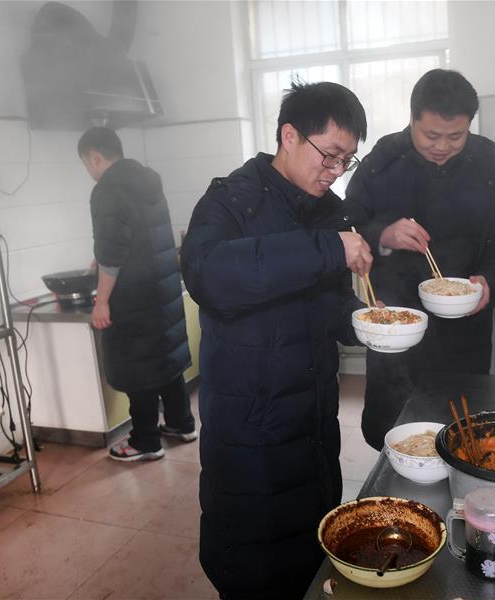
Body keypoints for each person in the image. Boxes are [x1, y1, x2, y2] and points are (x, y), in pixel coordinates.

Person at [181, 81, 372, 599]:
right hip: (251, 431)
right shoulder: (232, 200)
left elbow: (327, 302)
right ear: (289, 135)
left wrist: (365, 323)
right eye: (329, 155)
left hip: (312, 423)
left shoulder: (326, 209)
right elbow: (209, 276)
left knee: (311, 556)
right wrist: (328, 248)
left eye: (346, 160)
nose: (335, 171)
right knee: (253, 566)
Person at [345, 69, 495, 451]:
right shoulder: (382, 161)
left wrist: (490, 284)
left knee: (462, 436)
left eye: (455, 136)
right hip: (396, 324)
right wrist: (383, 235)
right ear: (412, 119)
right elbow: (347, 224)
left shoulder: (490, 167)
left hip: (464, 332)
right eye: (430, 135)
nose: (442, 146)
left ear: (470, 125)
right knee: (392, 434)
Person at [78, 127, 197, 462]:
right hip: (161, 287)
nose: (89, 171)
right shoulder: (147, 181)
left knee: (138, 367)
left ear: (95, 157)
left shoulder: (107, 189)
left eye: (86, 164)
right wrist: (101, 257)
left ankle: (145, 441)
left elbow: (113, 251)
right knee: (166, 358)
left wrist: (102, 301)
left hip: (132, 296)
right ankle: (182, 423)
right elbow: (135, 234)